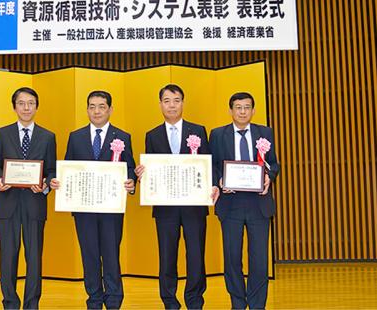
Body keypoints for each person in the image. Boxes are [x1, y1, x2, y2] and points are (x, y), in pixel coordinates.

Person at [135, 84, 219, 310]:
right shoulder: (152, 135)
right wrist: (143, 174)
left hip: (194, 207)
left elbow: (208, 165)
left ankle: (194, 300)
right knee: (167, 256)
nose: (171, 105)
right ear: (160, 104)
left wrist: (212, 185)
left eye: (176, 100)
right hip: (165, 209)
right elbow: (150, 171)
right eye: (167, 101)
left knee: (196, 256)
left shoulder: (198, 131)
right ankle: (169, 301)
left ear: (183, 102)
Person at [50, 90, 136, 309]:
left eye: (101, 106)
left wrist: (132, 181)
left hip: (111, 210)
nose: (96, 111)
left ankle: (114, 300)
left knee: (111, 255)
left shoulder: (122, 136)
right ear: (87, 109)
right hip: (83, 209)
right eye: (92, 106)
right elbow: (68, 167)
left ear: (110, 109)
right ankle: (94, 300)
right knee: (89, 255)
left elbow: (130, 168)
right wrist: (60, 183)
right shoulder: (75, 136)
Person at [209, 92, 280, 309]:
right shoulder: (218, 134)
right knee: (232, 259)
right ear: (230, 110)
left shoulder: (264, 132)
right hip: (231, 204)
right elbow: (212, 165)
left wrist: (270, 176)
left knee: (259, 260)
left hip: (259, 204)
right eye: (238, 107)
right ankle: (238, 303)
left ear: (253, 110)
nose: (242, 111)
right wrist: (219, 180)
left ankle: (258, 305)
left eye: (246, 107)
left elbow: (274, 164)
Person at [0, 87, 57, 309]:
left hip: (35, 204)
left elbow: (52, 170)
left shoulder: (48, 137)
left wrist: (46, 184)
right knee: (8, 257)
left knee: (34, 258)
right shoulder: (1, 133)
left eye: (31, 103)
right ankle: (9, 302)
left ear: (37, 106)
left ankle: (32, 304)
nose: (26, 108)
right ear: (14, 107)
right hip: (7, 204)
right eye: (21, 103)